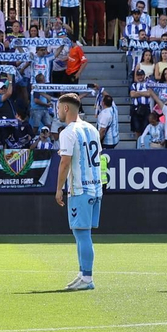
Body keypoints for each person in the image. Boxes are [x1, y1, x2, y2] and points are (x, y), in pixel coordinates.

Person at [54, 92, 103, 290]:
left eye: (58, 108)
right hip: (95, 188)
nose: (57, 112)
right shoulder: (92, 129)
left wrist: (58, 189)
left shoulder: (68, 132)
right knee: (82, 233)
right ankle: (83, 273)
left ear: (66, 108)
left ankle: (87, 278)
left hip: (79, 189)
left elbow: (65, 163)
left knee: (82, 234)